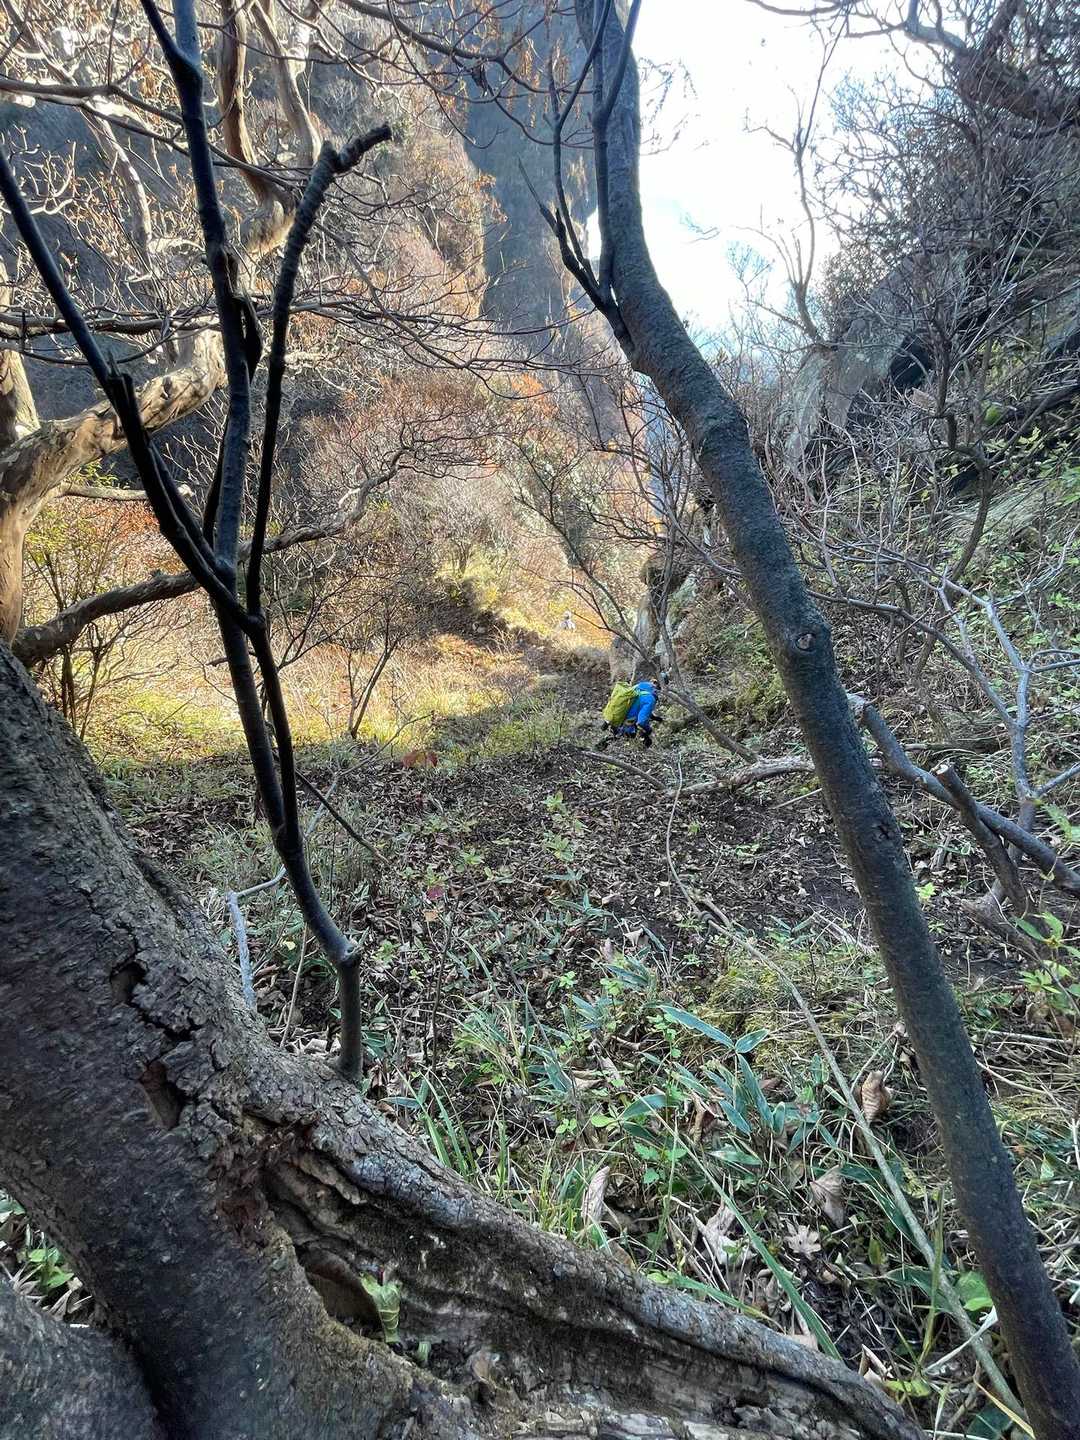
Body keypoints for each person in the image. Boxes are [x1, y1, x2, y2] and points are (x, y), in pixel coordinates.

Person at [598, 672, 667, 749]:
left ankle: (601, 745)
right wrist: (648, 730)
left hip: (617, 717)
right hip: (626, 726)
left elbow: (637, 704)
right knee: (631, 738)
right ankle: (601, 747)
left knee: (615, 737)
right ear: (661, 687)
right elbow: (641, 722)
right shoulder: (651, 699)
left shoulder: (640, 685)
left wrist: (654, 717)